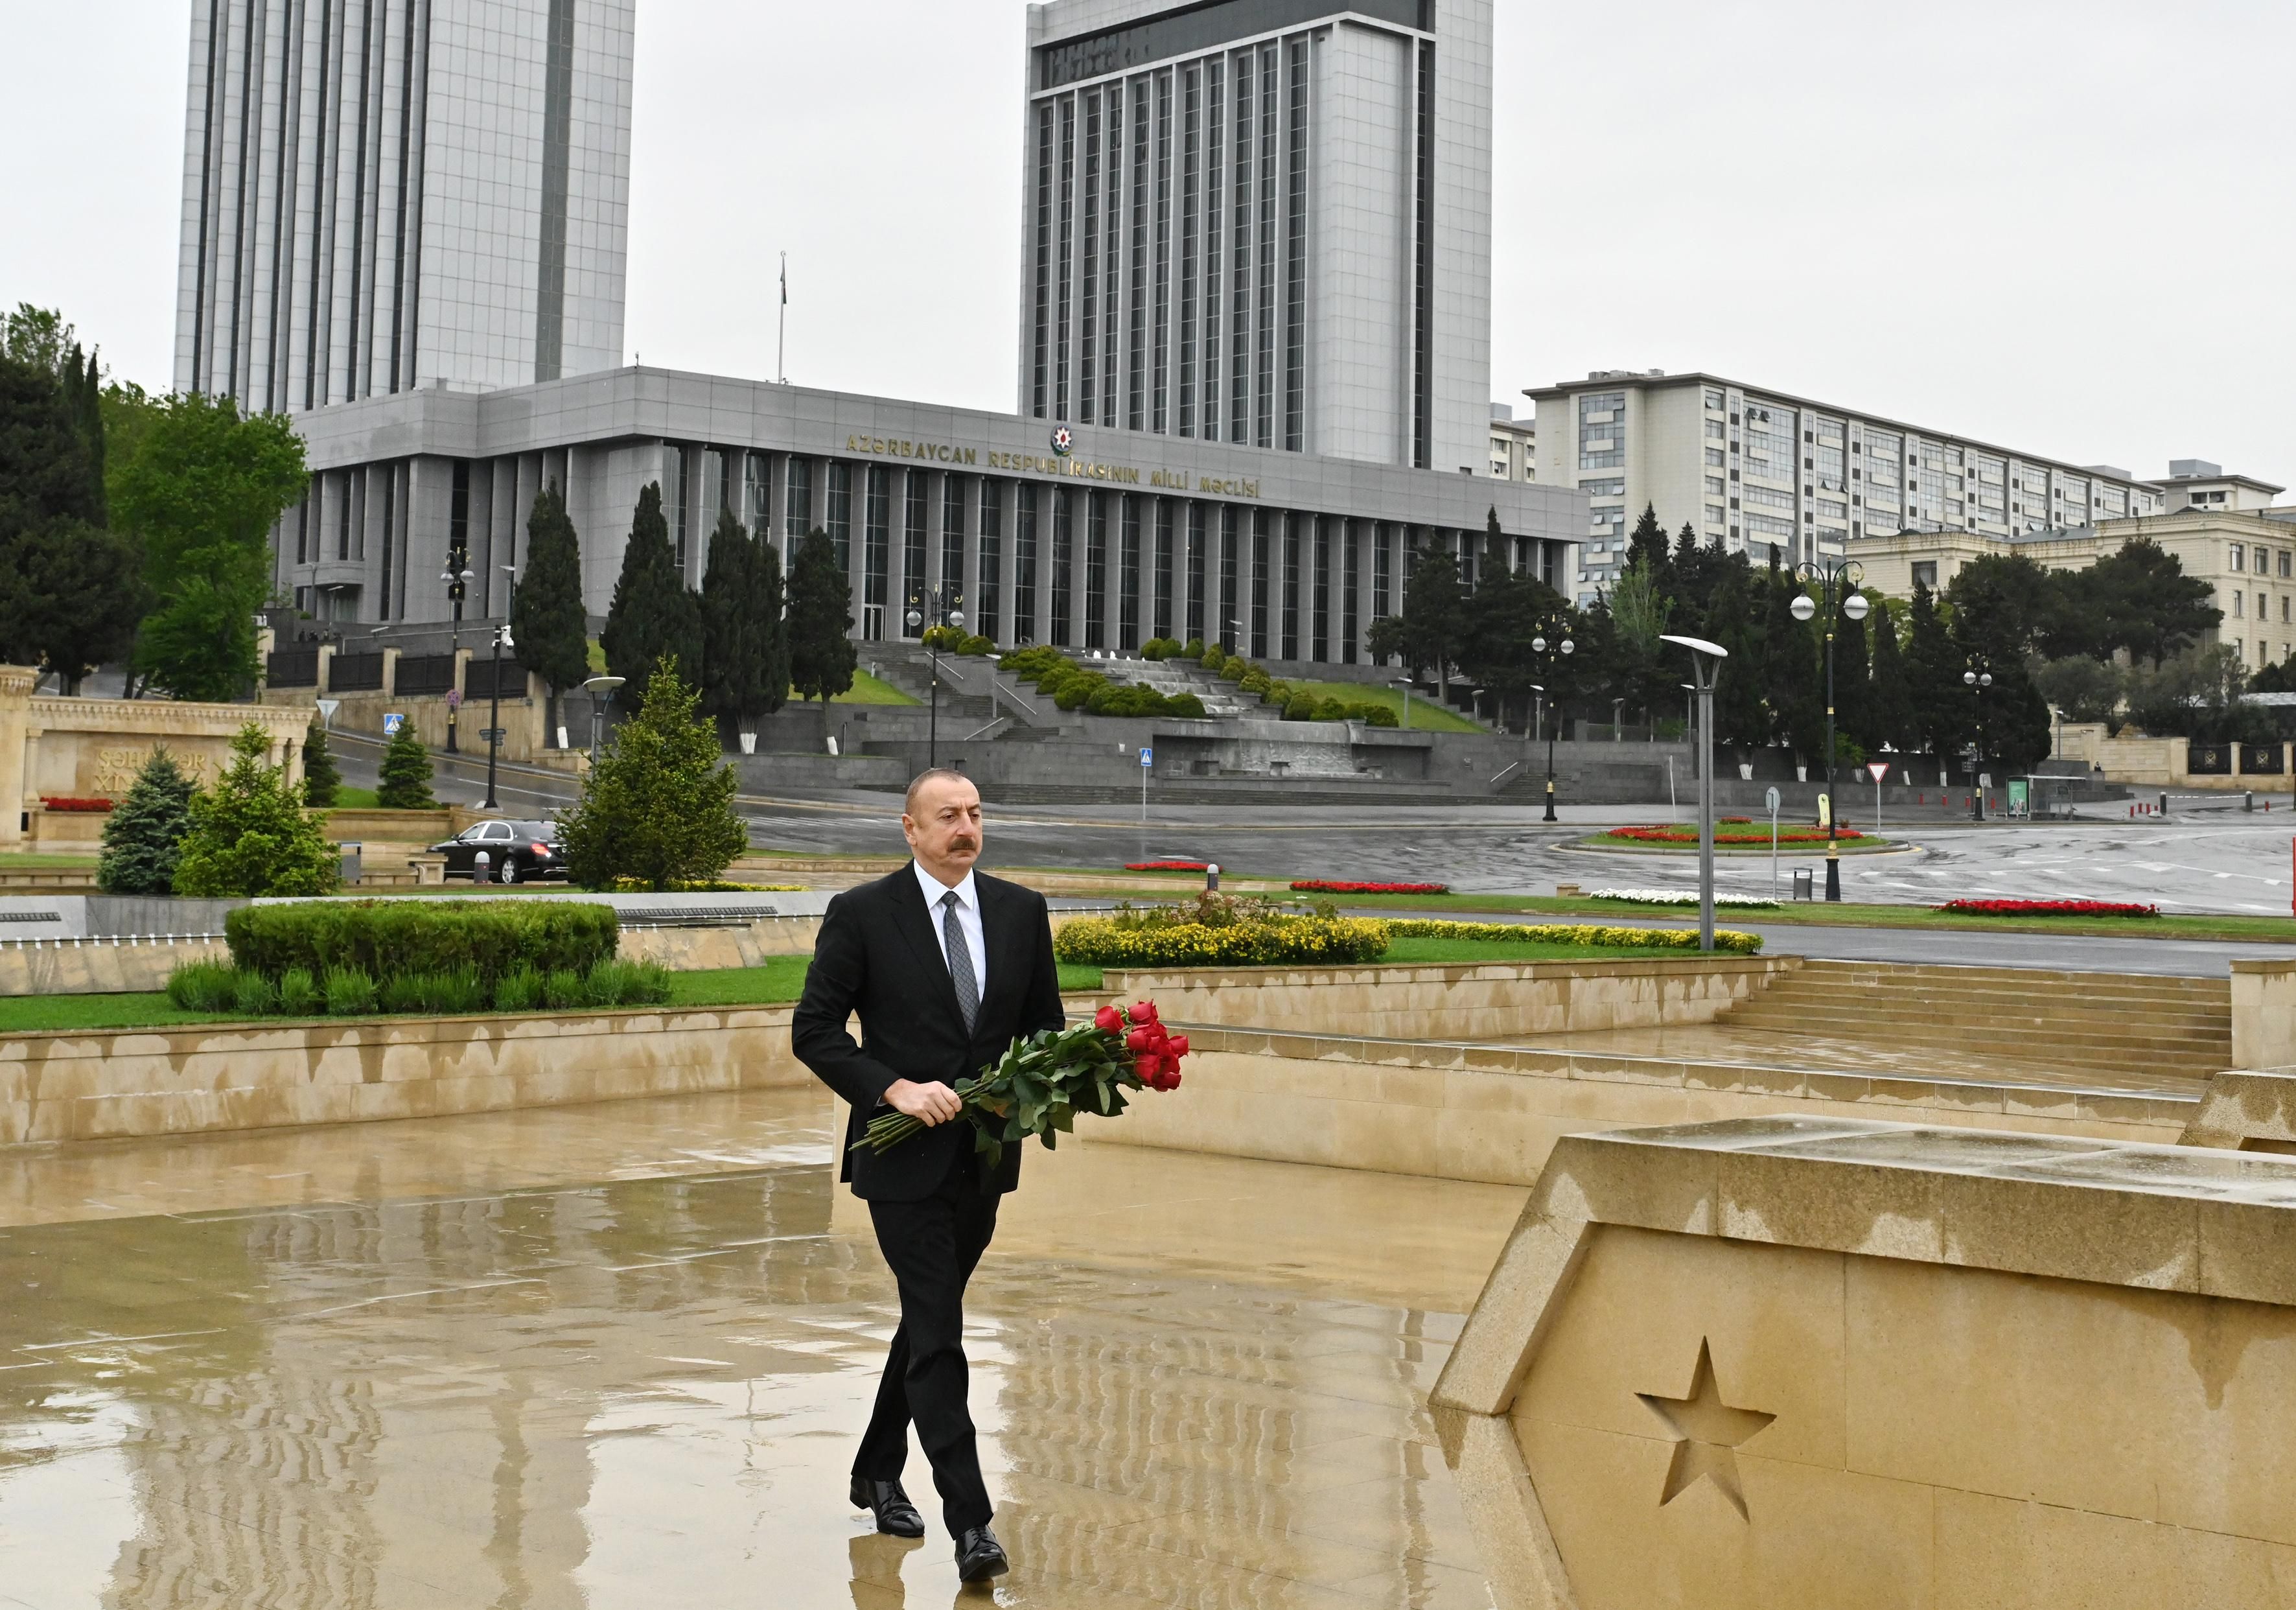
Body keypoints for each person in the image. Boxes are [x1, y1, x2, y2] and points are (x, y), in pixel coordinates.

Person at [791, 767, 1064, 1583]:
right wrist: (893, 1087)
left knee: (925, 1320)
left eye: (975, 813)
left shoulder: (1021, 912)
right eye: (948, 816)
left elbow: (1043, 1029)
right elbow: (815, 1031)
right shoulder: (864, 914)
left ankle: (877, 1467)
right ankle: (971, 1522)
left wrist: (1042, 1084)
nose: (966, 828)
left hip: (985, 1158)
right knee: (940, 1332)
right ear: (909, 829)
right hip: (899, 1160)